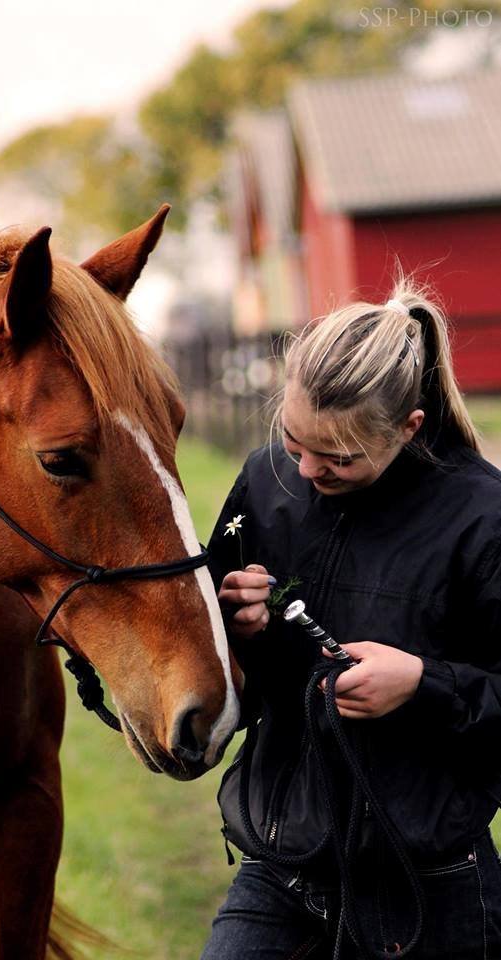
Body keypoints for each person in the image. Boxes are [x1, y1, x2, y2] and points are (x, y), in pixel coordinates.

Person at [201, 280, 501, 959]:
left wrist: (421, 682)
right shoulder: (265, 480)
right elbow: (220, 673)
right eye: (292, 439)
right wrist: (239, 626)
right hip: (280, 865)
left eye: (337, 458)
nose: (304, 469)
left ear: (407, 429)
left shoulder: (483, 520)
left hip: (430, 884)